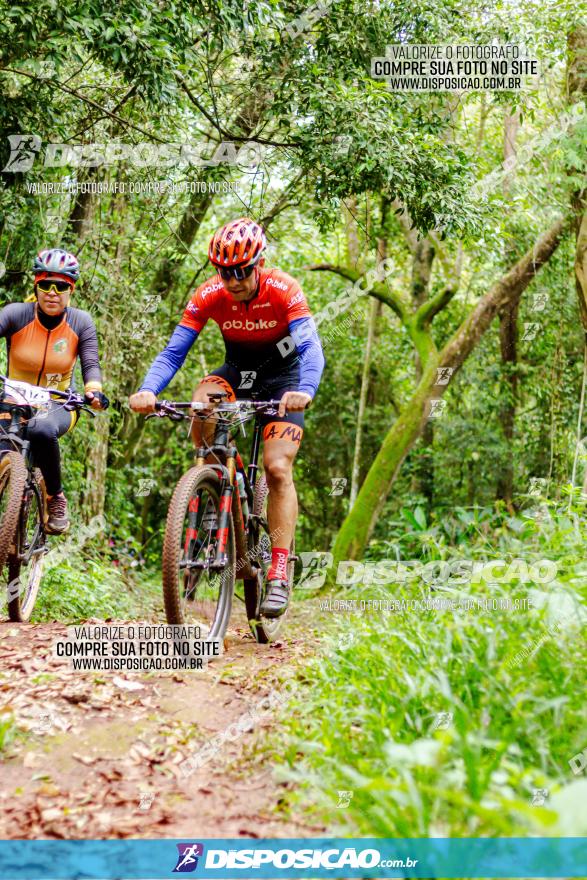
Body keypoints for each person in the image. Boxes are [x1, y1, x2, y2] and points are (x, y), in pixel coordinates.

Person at [130, 217, 325, 617]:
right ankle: (210, 486)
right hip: (237, 371)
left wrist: (304, 391)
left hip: (282, 380)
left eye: (242, 271)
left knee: (276, 467)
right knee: (202, 401)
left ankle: (279, 570)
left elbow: (310, 348)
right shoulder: (209, 295)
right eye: (225, 272)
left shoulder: (284, 289)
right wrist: (150, 389)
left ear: (259, 262)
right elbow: (174, 352)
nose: (234, 280)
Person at [0, 248, 109, 533]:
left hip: (58, 401)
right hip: (12, 397)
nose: (52, 292)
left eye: (60, 286)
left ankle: (55, 496)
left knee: (41, 429)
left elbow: (90, 363)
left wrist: (94, 391)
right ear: (35, 286)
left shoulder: (80, 322)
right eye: (45, 284)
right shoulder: (16, 314)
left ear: (70, 290)